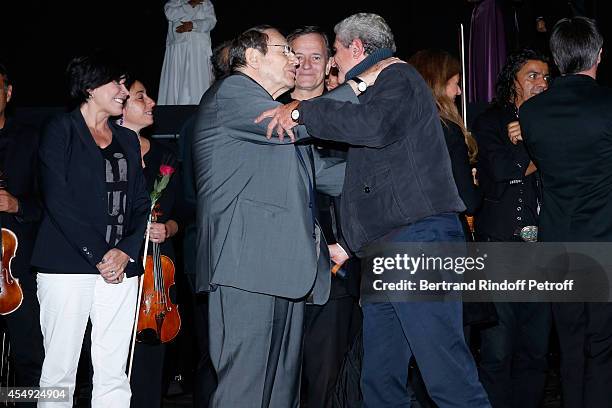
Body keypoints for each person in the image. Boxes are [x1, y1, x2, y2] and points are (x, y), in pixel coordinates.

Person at [257, 12, 491, 408]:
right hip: (390, 247)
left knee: (446, 374)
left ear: (357, 48)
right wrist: (350, 244)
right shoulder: (379, 85)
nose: (332, 63)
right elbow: (381, 180)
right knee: (380, 378)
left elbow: (374, 126)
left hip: (417, 244)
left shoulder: (397, 77)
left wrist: (301, 110)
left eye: (334, 52)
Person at [191, 25, 389, 407]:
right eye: (284, 51)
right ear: (252, 58)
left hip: (283, 271)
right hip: (246, 271)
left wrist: (398, 174)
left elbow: (330, 175)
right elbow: (298, 124)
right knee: (245, 391)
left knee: (281, 392)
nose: (295, 60)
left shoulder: (272, 115)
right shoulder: (235, 93)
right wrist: (364, 83)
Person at [31, 52, 150, 407]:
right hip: (67, 267)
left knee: (114, 372)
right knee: (59, 372)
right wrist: (101, 255)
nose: (124, 91)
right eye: (118, 83)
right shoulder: (59, 130)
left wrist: (125, 251)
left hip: (120, 269)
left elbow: (142, 206)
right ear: (89, 87)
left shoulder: (128, 140)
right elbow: (58, 201)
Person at [520, 16, 612, 408]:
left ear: (556, 61)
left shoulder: (532, 113)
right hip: (605, 240)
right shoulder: (608, 106)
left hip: (557, 242)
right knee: (603, 348)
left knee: (570, 345)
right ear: (599, 55)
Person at [279, 26, 361, 408]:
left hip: (338, 268)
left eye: (317, 57)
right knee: (280, 383)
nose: (307, 66)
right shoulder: (264, 112)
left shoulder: (352, 115)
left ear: (330, 62)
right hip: (277, 272)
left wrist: (347, 243)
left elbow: (366, 188)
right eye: (299, 56)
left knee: (328, 379)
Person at [471, 47, 551, 408]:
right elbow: (504, 170)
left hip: (543, 248)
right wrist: (534, 148)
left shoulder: (552, 121)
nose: (541, 83)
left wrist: (534, 136)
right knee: (497, 349)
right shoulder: (490, 121)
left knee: (535, 349)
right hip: (500, 246)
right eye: (532, 75)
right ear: (512, 81)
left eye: (546, 77)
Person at [119, 78, 188, 408]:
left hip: (161, 269)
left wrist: (169, 228)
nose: (151, 103)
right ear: (120, 105)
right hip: (118, 266)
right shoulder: (105, 152)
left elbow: (187, 210)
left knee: (153, 355)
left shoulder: (166, 156)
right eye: (141, 97)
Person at [0, 63, 44, 401]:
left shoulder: (32, 139)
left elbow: (52, 202)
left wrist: (18, 205)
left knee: (32, 356)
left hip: (17, 271)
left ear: (8, 92)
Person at [158, 0, 217, 105]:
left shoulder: (206, 2)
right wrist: (190, 5)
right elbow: (170, 14)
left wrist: (193, 25)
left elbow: (211, 21)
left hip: (199, 49)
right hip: (178, 51)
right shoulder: (174, 2)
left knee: (198, 81)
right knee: (177, 82)